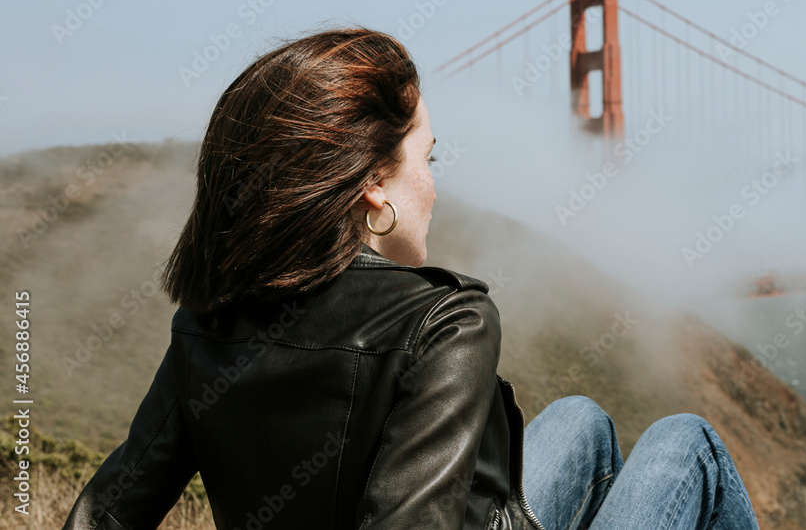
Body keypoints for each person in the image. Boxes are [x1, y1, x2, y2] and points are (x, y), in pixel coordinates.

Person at [62, 28, 759, 529]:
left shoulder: (204, 323)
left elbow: (106, 513)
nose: (434, 183)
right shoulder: (445, 322)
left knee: (582, 419)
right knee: (686, 444)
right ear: (372, 184)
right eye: (428, 156)